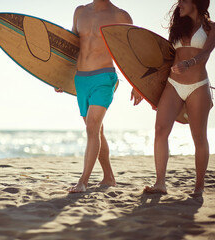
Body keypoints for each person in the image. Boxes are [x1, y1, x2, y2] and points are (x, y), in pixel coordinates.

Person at [56, 0, 143, 193]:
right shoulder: (80, 12)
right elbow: (72, 46)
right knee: (96, 130)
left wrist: (138, 84)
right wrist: (60, 77)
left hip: (104, 77)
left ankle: (83, 181)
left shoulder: (121, 16)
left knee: (92, 126)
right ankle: (109, 177)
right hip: (81, 79)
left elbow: (132, 51)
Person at [144, 0, 214, 196]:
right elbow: (165, 58)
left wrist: (189, 63)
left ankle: (199, 187)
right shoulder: (178, 27)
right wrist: (141, 85)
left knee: (199, 137)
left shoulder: (212, 28)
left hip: (198, 86)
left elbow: (206, 52)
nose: (179, 4)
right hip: (173, 84)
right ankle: (160, 183)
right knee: (160, 129)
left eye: (183, 0)